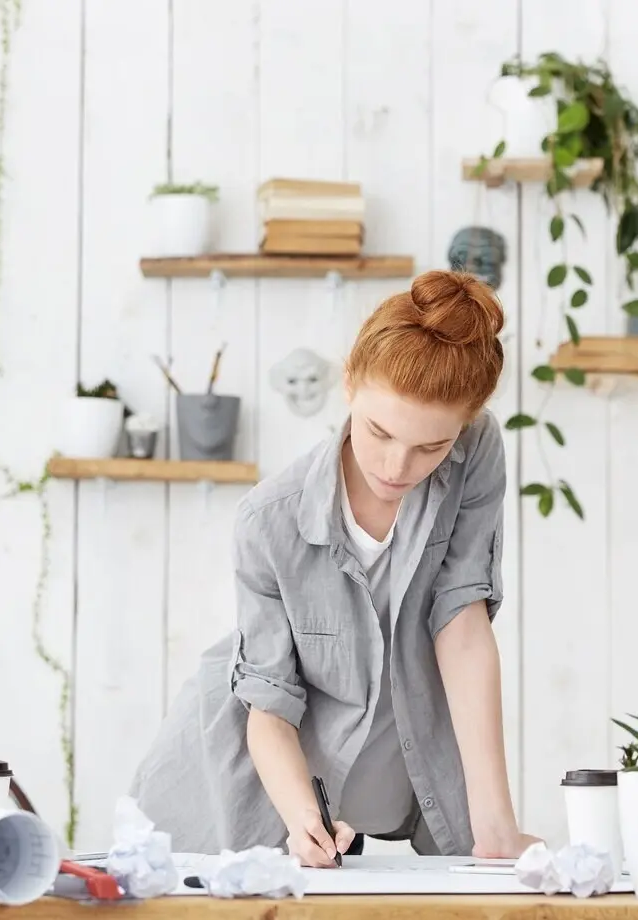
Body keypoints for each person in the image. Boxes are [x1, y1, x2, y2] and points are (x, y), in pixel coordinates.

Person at [128, 269, 540, 867]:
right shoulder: (269, 519)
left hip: (377, 781)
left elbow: (463, 618)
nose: (399, 466)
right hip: (244, 777)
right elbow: (267, 702)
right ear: (349, 384)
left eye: (431, 447)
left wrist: (497, 827)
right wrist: (302, 822)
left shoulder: (477, 450)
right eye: (380, 432)